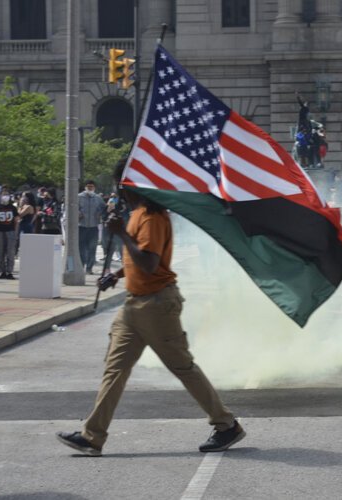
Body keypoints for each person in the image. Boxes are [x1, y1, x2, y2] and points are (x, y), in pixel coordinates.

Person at [56, 162, 245, 456]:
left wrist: (122, 234)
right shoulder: (137, 215)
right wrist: (116, 275)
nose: (119, 189)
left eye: (122, 183)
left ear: (135, 184)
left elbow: (149, 262)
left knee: (182, 367)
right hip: (134, 305)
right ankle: (92, 437)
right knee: (114, 369)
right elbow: (136, 261)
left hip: (157, 304)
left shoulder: (153, 217)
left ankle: (226, 424)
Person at [78, 180, 106, 275]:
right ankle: (81, 266)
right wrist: (78, 213)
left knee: (92, 248)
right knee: (82, 248)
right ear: (85, 187)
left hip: (94, 226)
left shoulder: (98, 198)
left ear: (94, 188)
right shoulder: (79, 197)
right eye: (88, 186)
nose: (90, 188)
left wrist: (100, 214)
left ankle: (89, 268)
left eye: (92, 187)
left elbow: (104, 208)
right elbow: (71, 208)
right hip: (81, 226)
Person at [0, 192, 19, 279]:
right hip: (0, 231)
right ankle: (2, 271)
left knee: (10, 252)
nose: (5, 197)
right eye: (3, 195)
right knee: (1, 251)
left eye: (7, 195)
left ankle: (10, 271)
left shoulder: (13, 208)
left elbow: (16, 221)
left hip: (10, 231)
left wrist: (16, 232)